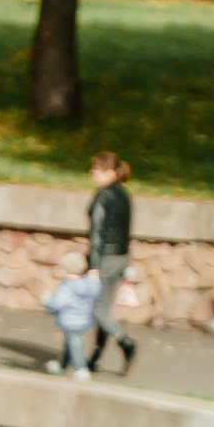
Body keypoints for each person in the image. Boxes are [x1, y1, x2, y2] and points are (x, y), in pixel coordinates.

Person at [86, 150, 138, 374]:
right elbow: (126, 231)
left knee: (95, 310)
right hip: (120, 257)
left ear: (109, 172)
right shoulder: (125, 195)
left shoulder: (103, 196)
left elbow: (96, 234)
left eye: (97, 170)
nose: (92, 174)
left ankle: (125, 342)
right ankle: (96, 357)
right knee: (104, 309)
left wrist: (94, 266)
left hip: (104, 258)